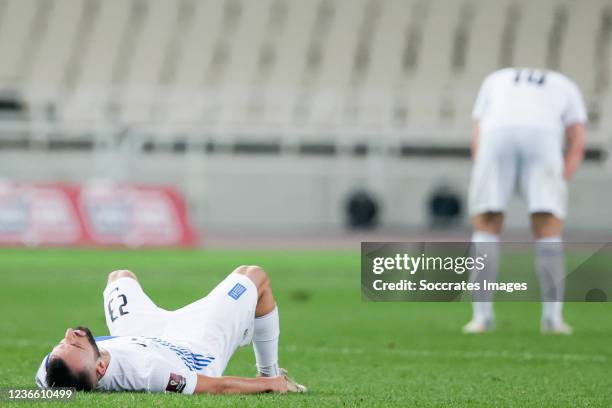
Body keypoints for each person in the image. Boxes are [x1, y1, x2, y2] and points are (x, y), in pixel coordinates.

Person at [35, 266, 307, 394]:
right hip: (192, 347)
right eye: (75, 344)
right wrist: (269, 385)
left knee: (119, 277)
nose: (71, 333)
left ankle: (246, 329)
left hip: (139, 335)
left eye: (62, 342)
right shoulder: (148, 371)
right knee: (253, 275)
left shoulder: (51, 371)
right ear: (101, 369)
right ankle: (270, 369)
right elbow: (216, 387)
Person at [464, 67, 587, 335]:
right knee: (547, 224)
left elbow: (479, 131)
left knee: (486, 222)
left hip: (497, 132)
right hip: (543, 133)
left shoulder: (495, 78)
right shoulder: (565, 82)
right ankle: (552, 319)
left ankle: (481, 318)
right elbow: (577, 137)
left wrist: (482, 170)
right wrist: (562, 178)